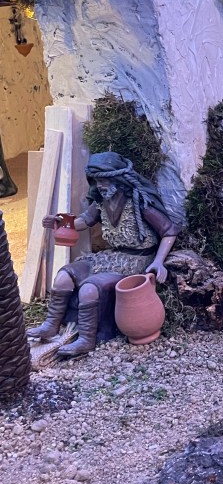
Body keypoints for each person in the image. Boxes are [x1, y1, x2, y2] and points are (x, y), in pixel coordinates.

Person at [27, 152, 180, 359]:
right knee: (63, 276)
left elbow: (169, 231)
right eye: (97, 181)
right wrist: (61, 222)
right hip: (109, 257)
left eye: (104, 181)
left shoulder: (138, 202)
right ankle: (51, 325)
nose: (100, 185)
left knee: (90, 288)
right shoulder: (101, 202)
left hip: (136, 260)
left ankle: (86, 339)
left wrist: (158, 262)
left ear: (118, 180)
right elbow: (84, 221)